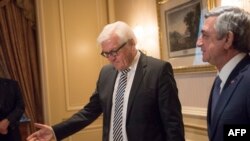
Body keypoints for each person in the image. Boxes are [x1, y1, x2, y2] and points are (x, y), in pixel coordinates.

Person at [27, 21, 185, 141]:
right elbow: (89, 111)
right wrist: (55, 131)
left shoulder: (158, 70)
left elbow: (173, 124)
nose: (110, 59)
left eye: (114, 52)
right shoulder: (106, 73)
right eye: (106, 54)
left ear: (131, 43)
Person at [196, 6, 250, 141]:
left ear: (227, 39)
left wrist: (230, 133)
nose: (199, 43)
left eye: (205, 36)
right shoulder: (221, 79)